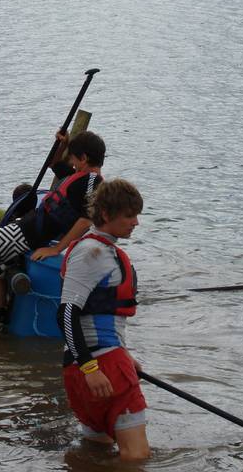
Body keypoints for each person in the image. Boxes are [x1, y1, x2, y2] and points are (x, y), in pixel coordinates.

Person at [0, 130, 105, 329]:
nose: (70, 161)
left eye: (72, 157)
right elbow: (53, 164)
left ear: (84, 158)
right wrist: (62, 145)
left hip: (27, 233)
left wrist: (56, 249)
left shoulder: (91, 181)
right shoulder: (77, 175)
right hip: (26, 228)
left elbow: (85, 220)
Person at [58, 178, 149, 461]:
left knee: (95, 454)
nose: (136, 222)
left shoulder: (92, 248)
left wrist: (123, 354)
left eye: (137, 215)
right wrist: (91, 366)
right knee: (137, 458)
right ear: (107, 215)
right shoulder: (92, 252)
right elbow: (67, 314)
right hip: (100, 368)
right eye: (129, 215)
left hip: (86, 368)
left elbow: (95, 317)